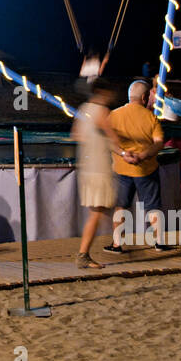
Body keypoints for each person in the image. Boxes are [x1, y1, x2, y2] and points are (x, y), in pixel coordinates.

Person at [104, 80, 168, 253]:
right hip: (146, 169)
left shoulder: (114, 115)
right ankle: (160, 242)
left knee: (121, 207)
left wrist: (124, 154)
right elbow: (159, 142)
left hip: (121, 169)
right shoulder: (151, 117)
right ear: (144, 96)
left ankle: (117, 244)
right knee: (153, 206)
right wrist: (142, 155)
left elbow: (109, 142)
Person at [74, 79, 121, 268]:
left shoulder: (84, 108)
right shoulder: (102, 111)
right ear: (103, 92)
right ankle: (83, 254)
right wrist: (128, 153)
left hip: (87, 167)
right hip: (99, 168)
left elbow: (76, 135)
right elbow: (114, 139)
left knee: (99, 211)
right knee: (97, 212)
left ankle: (112, 243)